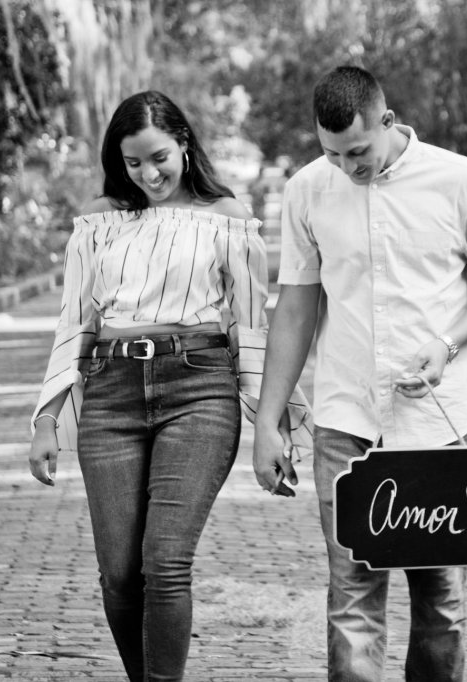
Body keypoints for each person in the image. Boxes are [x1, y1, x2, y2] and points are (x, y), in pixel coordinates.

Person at [252, 65, 467, 681]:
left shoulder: (460, 180)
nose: (347, 166)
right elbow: (296, 308)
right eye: (332, 154)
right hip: (347, 423)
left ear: (387, 120)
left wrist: (447, 343)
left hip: (440, 427)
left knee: (441, 607)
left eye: (358, 151)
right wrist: (267, 422)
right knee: (351, 602)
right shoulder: (308, 190)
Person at [27, 90, 308, 681]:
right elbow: (74, 321)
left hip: (199, 390)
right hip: (111, 394)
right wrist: (48, 418)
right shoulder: (99, 220)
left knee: (165, 563)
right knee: (119, 574)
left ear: (183, 143)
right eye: (132, 163)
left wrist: (273, 425)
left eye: (158, 158)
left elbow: (251, 328)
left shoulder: (226, 217)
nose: (148, 174)